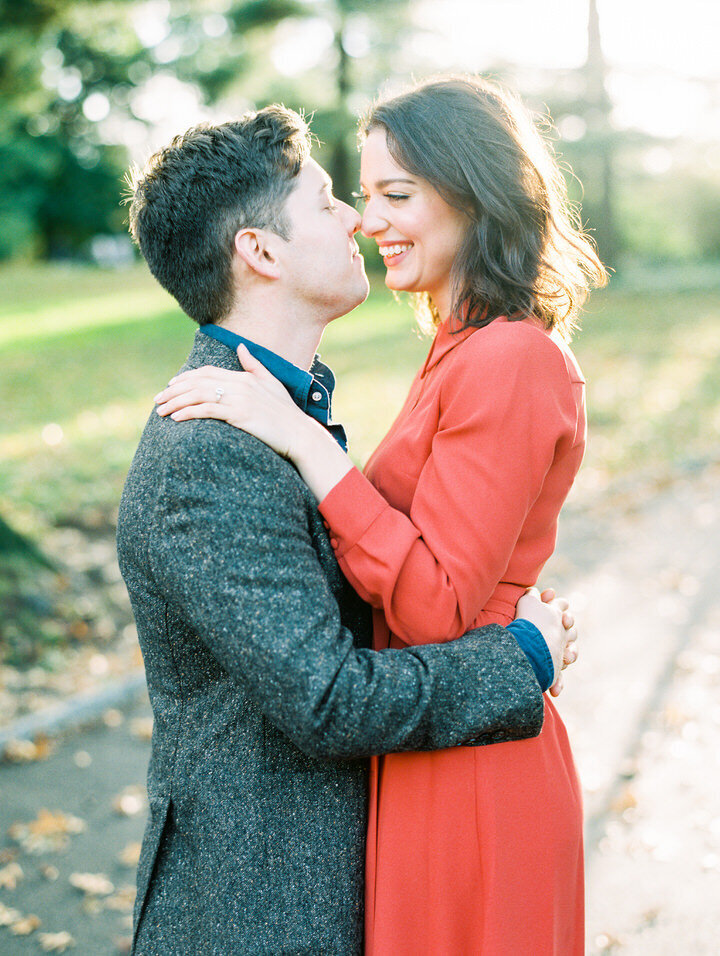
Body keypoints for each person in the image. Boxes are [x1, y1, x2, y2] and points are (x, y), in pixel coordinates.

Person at [155, 77, 607, 954]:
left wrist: (307, 444)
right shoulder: (459, 349)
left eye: (396, 194)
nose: (369, 219)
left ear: (474, 192)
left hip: (476, 759)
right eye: (362, 197)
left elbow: (435, 603)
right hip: (427, 740)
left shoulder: (510, 358)